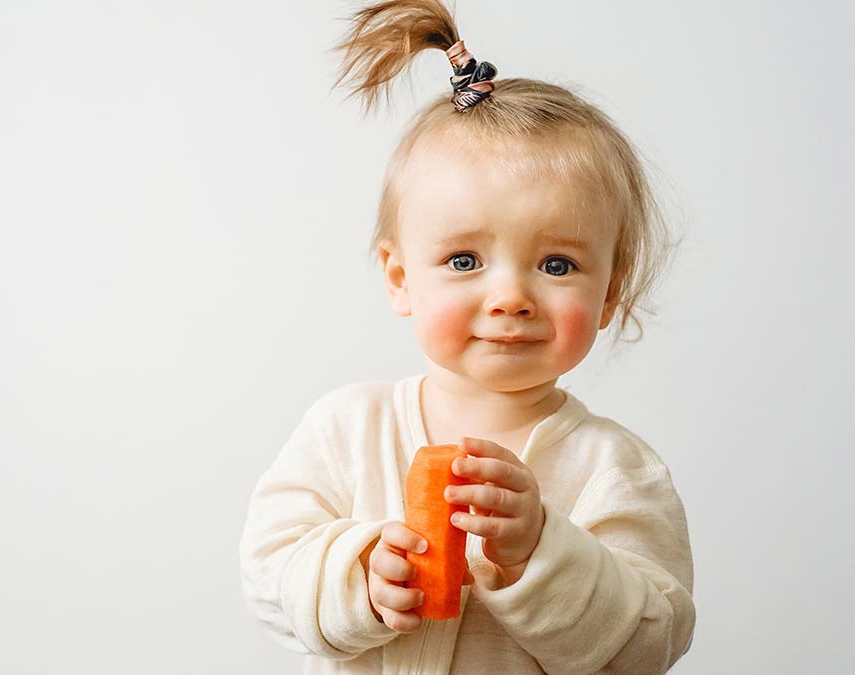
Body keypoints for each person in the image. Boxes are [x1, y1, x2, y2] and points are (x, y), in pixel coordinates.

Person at [237, 1, 696, 672]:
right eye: (463, 261)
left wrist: (541, 550)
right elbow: (267, 570)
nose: (510, 297)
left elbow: (651, 641)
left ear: (611, 292)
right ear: (399, 277)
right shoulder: (344, 429)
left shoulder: (617, 469)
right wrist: (355, 576)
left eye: (557, 264)